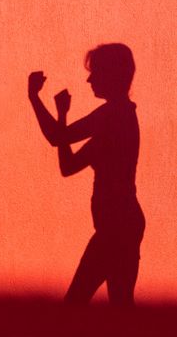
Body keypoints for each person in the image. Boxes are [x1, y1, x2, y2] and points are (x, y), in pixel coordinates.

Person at [28, 43, 145, 306]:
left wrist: (34, 98)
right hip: (122, 225)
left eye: (96, 72)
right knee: (120, 308)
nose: (90, 79)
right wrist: (61, 115)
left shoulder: (112, 116)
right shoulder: (120, 115)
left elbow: (58, 139)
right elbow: (68, 166)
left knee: (75, 306)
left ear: (113, 74)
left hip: (116, 228)